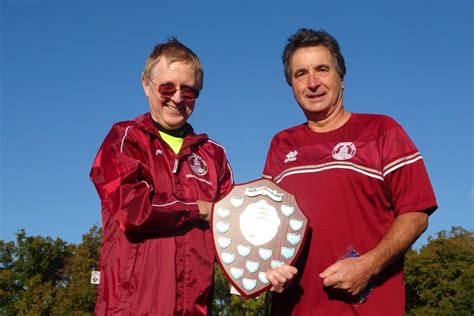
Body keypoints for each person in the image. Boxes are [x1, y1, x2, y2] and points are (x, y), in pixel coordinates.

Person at [262, 28, 438, 315]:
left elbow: (416, 214)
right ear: (291, 86)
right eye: (301, 74)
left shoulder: (382, 130)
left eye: (322, 69)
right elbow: (268, 227)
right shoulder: (281, 144)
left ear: (341, 78)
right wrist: (269, 270)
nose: (313, 82)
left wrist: (369, 265)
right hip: (294, 309)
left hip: (369, 308)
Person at [90, 38, 234, 315]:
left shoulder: (214, 155)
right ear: (146, 84)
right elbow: (133, 208)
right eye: (167, 87)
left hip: (194, 308)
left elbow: (232, 229)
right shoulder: (124, 139)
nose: (178, 98)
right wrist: (199, 209)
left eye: (189, 91)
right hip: (130, 309)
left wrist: (268, 270)